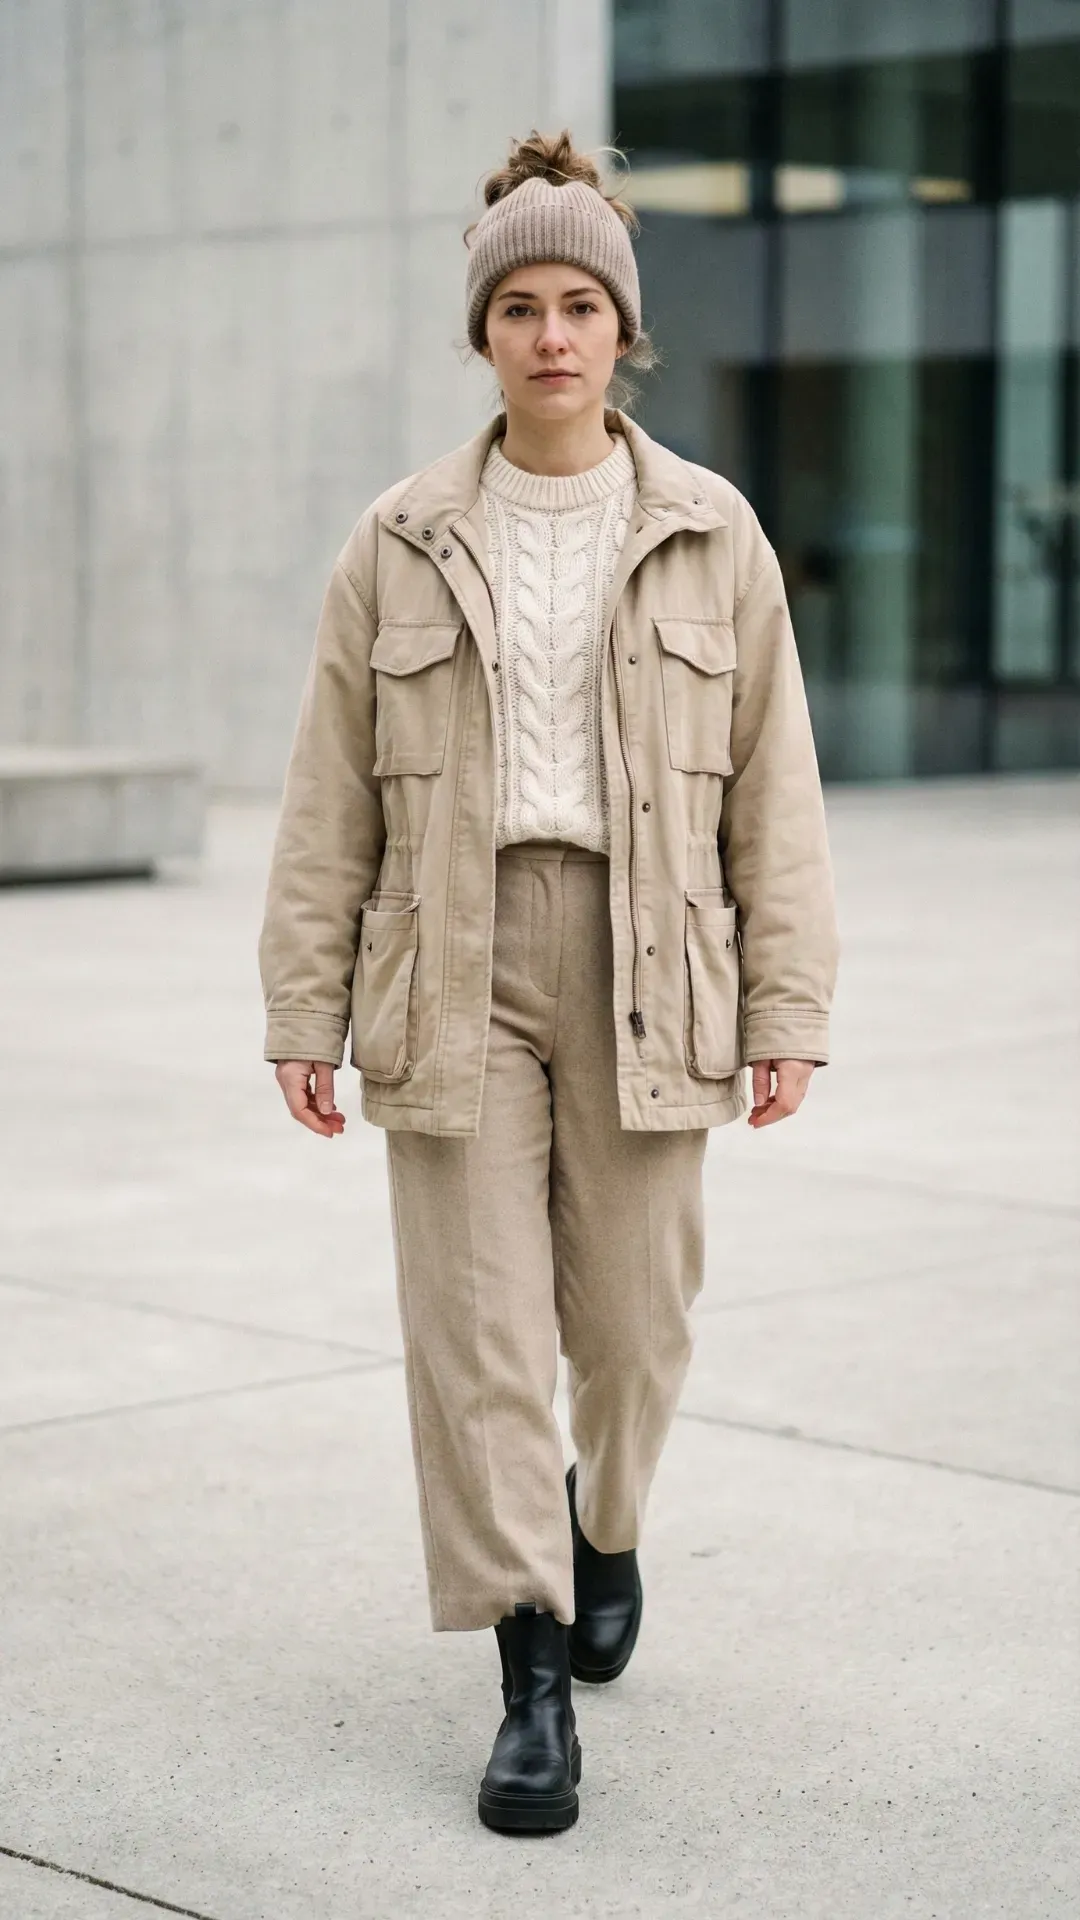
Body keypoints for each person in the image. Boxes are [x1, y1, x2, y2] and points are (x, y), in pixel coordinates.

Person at [258, 127, 838, 1836]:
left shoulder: (713, 532)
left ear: (623, 327)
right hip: (450, 965)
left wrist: (788, 1007)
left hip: (655, 963)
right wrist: (304, 1007)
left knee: (636, 1325)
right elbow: (329, 793)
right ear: (484, 333)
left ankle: (604, 1527)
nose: (553, 335)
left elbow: (775, 786)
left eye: (582, 303)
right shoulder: (402, 537)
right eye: (520, 306)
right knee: (479, 1329)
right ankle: (526, 1668)